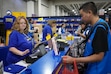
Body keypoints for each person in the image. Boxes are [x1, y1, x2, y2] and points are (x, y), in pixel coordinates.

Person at [62, 2, 111, 74]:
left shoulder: (100, 28)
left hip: (98, 70)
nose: (81, 18)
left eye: (82, 15)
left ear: (89, 12)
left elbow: (99, 56)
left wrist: (74, 60)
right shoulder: (94, 26)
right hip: (92, 67)